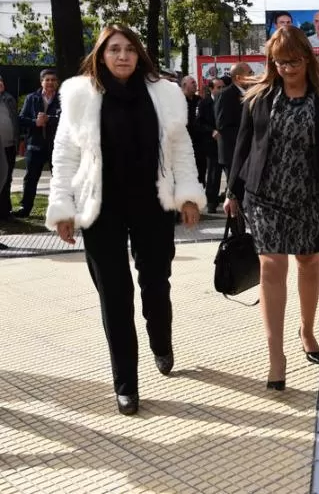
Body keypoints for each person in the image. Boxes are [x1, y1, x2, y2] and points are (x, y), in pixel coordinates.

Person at [45, 24, 205, 415]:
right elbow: (64, 155)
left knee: (155, 285)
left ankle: (161, 341)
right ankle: (126, 383)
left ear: (139, 54)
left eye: (129, 49)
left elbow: (181, 148)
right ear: (101, 55)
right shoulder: (80, 95)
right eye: (114, 49)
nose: (122, 56)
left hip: (152, 203)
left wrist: (187, 195)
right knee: (114, 295)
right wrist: (62, 208)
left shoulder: (164, 94)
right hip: (101, 207)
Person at [225, 26, 319, 390]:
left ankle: (307, 329)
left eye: (294, 60)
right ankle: (276, 355)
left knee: (309, 262)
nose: (287, 67)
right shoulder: (258, 97)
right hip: (265, 195)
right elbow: (243, 146)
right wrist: (232, 192)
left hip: (309, 195)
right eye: (280, 61)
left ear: (307, 57)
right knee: (272, 265)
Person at [14, 69, 61, 218]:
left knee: (60, 179)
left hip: (57, 147)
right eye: (47, 80)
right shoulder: (31, 98)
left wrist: (50, 119)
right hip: (35, 145)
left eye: (53, 80)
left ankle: (61, 211)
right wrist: (36, 122)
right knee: (31, 178)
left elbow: (68, 119)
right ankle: (25, 208)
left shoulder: (63, 98)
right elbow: (21, 119)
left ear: (57, 82)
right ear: (41, 82)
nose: (50, 83)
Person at [215, 63, 251, 183]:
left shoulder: (248, 93)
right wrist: (244, 136)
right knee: (234, 191)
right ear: (238, 78)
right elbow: (222, 125)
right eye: (250, 73)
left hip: (244, 153)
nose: (253, 76)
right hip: (232, 152)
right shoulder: (226, 94)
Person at [197, 77, 225, 213]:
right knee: (213, 174)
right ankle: (211, 202)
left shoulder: (227, 102)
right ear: (211, 89)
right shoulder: (204, 104)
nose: (221, 90)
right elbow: (199, 123)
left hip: (225, 143)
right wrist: (211, 131)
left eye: (222, 87)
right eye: (218, 87)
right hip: (211, 144)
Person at [181, 76, 206, 185]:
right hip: (184, 142)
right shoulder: (179, 100)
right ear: (184, 85)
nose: (195, 85)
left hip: (199, 142)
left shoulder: (199, 100)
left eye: (195, 82)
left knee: (201, 168)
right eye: (192, 83)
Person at [0, 75, 18, 219]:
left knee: (7, 179)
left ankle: (5, 211)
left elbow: (16, 119)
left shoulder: (9, 99)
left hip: (9, 146)